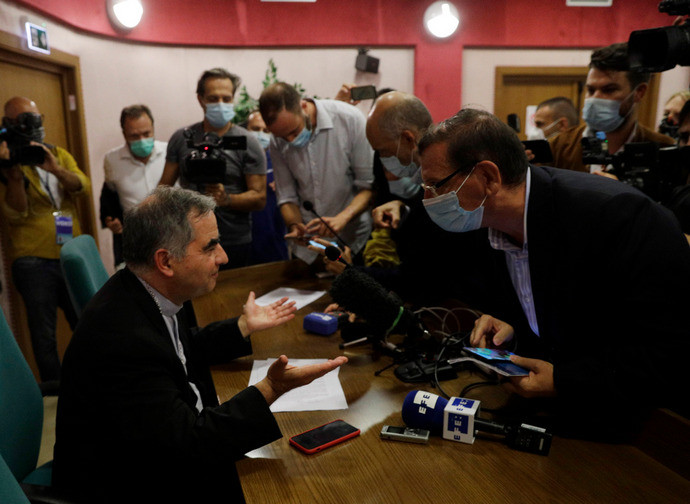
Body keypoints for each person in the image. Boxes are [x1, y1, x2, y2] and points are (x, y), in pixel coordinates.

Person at [53, 186, 347, 502]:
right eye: (210, 247)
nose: (224, 257)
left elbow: (177, 347)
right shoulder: (124, 340)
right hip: (126, 484)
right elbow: (190, 447)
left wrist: (242, 326)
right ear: (166, 261)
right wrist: (270, 389)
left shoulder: (148, 290)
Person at [417, 107, 690, 440]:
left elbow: (666, 353)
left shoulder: (619, 217)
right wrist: (512, 324)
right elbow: (557, 315)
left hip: (634, 435)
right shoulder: (487, 225)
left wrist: (563, 380)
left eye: (435, 186)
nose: (427, 198)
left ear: (487, 177)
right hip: (547, 420)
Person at [0, 96, 90, 384]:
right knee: (44, 337)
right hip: (33, 261)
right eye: (28, 119)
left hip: (70, 254)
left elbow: (82, 186)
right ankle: (55, 395)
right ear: (10, 124)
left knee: (87, 326)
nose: (35, 124)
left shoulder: (57, 154)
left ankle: (94, 383)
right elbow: (15, 213)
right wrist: (12, 175)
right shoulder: (6, 161)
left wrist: (55, 170)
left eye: (37, 118)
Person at [159, 67, 267, 269]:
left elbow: (259, 198)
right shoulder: (182, 138)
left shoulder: (248, 141)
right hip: (189, 239)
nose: (221, 104)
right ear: (201, 99)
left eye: (227, 99)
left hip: (235, 241)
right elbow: (163, 189)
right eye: (213, 98)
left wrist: (227, 199)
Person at [258, 82, 374, 264]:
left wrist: (342, 218)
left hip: (353, 240)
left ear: (303, 105)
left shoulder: (349, 119)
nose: (290, 140)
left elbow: (369, 186)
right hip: (309, 249)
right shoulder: (276, 141)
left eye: (294, 131)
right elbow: (286, 196)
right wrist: (295, 225)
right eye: (283, 137)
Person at [549, 42, 675, 173]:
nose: (595, 99)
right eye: (591, 90)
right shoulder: (560, 147)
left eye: (609, 90)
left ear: (639, 92)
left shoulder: (663, 149)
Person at [100, 104, 167, 268]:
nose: (142, 140)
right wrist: (111, 220)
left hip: (171, 235)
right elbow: (109, 196)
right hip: (135, 241)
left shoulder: (169, 153)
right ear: (124, 134)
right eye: (134, 136)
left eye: (146, 134)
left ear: (153, 128)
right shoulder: (112, 160)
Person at [245, 109, 288, 263]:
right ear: (246, 130)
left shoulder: (281, 161)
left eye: (266, 131)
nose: (260, 135)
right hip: (242, 244)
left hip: (274, 244)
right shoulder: (237, 161)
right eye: (255, 129)